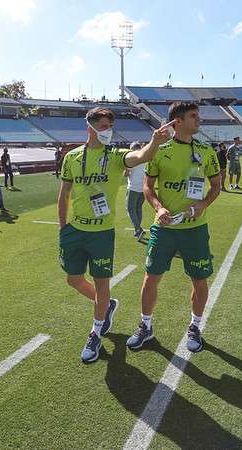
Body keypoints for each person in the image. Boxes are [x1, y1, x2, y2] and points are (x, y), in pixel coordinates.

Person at [58, 107, 176, 363]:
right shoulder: (72, 157)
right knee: (74, 279)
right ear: (88, 127)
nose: (107, 131)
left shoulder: (115, 155)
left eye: (110, 126)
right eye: (102, 126)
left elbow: (140, 156)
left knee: (102, 285)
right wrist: (62, 226)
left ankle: (95, 334)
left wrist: (154, 142)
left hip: (101, 234)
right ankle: (107, 305)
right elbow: (64, 193)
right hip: (75, 231)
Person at [125, 101, 222, 353]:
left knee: (199, 280)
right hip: (164, 228)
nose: (198, 120)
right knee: (150, 278)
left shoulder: (206, 151)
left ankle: (195, 327)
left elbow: (216, 186)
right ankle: (145, 327)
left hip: (195, 229)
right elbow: (147, 187)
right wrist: (159, 208)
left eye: (198, 116)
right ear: (177, 122)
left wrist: (202, 205)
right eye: (193, 116)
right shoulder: (159, 150)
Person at [124, 142, 146, 241]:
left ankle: (138, 229)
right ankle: (137, 231)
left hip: (133, 188)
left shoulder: (132, 158)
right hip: (143, 188)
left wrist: (125, 169)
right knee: (138, 209)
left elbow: (126, 174)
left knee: (130, 209)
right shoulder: (145, 157)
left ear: (132, 149)